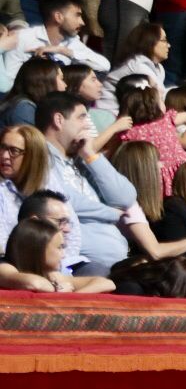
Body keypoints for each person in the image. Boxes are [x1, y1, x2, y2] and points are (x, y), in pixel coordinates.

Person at [37, 90, 139, 273]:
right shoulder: (39, 157)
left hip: (116, 262)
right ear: (59, 120)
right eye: (82, 117)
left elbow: (125, 196)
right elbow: (61, 200)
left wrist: (91, 155)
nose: (87, 125)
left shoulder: (82, 158)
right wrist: (111, 213)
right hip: (78, 265)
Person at [0, 0, 109, 91]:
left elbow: (104, 66)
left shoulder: (71, 42)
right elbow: (8, 86)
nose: (82, 22)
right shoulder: (23, 38)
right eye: (77, 15)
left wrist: (61, 51)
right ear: (58, 17)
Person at [0, 213, 114, 293]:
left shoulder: (52, 276)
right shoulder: (4, 267)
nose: (63, 255)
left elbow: (106, 283)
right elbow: (34, 283)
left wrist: (74, 296)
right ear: (39, 249)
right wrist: (57, 289)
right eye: (59, 247)